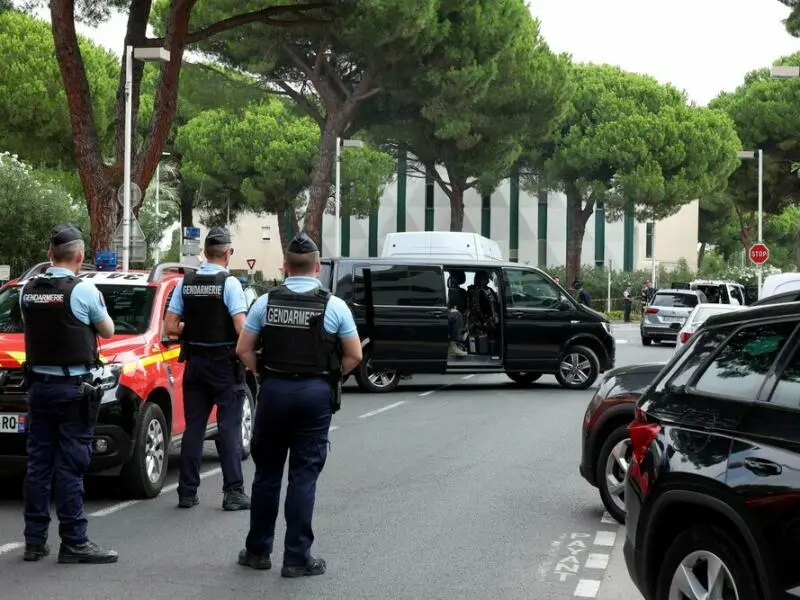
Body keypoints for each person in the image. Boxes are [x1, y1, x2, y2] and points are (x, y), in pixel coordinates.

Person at [235, 232, 362, 578]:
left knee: (266, 476)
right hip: (314, 393)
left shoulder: (265, 303)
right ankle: (296, 558)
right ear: (318, 267)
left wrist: (266, 372)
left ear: (285, 267)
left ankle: (258, 551)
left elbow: (243, 350)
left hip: (274, 391)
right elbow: (354, 355)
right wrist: (329, 376)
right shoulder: (334, 306)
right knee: (303, 476)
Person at [20, 223, 117, 564]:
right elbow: (108, 329)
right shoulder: (83, 291)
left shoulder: (27, 290)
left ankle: (34, 541)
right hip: (72, 390)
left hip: (37, 388)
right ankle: (74, 540)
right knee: (71, 466)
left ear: (49, 256)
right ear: (79, 257)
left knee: (38, 465)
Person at [164, 226, 251, 512]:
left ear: (204, 253)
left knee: (194, 429)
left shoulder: (185, 283)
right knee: (228, 429)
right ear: (227, 253)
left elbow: (171, 327)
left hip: (195, 364)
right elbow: (241, 329)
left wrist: (196, 328)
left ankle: (187, 492)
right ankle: (233, 492)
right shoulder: (230, 284)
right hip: (225, 365)